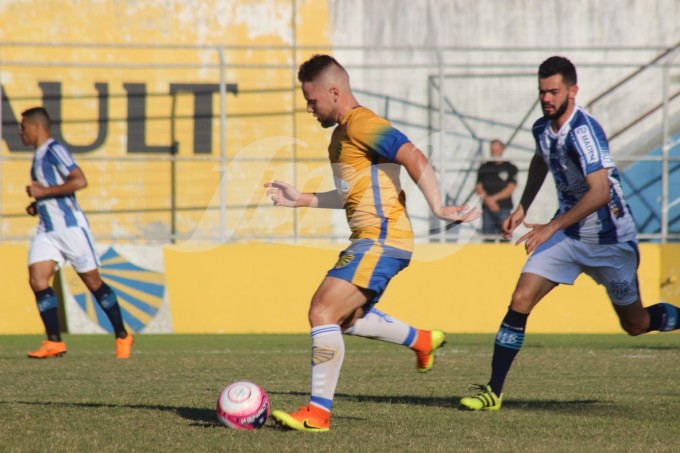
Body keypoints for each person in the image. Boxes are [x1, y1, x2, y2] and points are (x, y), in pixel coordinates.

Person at [264, 54, 480, 431]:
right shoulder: (340, 138)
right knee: (345, 319)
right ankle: (422, 340)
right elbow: (351, 194)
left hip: (382, 239)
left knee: (322, 311)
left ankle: (317, 413)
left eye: (312, 100)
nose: (309, 107)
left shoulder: (364, 124)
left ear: (334, 91)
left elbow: (412, 154)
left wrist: (439, 206)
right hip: (374, 239)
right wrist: (299, 198)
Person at [459, 56, 680, 411]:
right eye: (542, 91)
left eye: (554, 91)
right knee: (520, 300)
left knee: (636, 324)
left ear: (573, 91)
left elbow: (601, 192)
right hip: (569, 234)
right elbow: (539, 160)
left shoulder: (584, 132)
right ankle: (493, 391)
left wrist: (549, 226)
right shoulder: (541, 129)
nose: (546, 98)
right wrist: (522, 208)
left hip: (610, 242)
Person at [20, 107, 133, 359]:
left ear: (36, 127)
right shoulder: (38, 155)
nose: (21, 131)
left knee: (93, 283)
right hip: (48, 230)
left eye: (23, 126)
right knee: (37, 279)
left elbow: (79, 180)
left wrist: (43, 193)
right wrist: (37, 205)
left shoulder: (54, 150)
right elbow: (53, 190)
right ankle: (54, 342)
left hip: (70, 228)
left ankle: (123, 336)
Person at [474, 139, 518, 241]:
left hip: (504, 208)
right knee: (487, 239)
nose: (494, 153)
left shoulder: (510, 167)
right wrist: (488, 201)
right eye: (492, 150)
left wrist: (493, 199)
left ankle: (505, 257)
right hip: (487, 208)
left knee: (505, 237)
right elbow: (478, 187)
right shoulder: (484, 167)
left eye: (496, 150)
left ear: (502, 150)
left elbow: (511, 188)